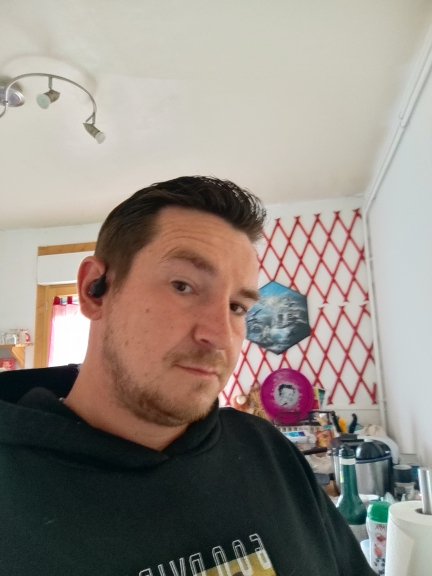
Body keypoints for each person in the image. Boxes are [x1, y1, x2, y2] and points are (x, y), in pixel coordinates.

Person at [0, 176, 374, 576]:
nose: (220, 336)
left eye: (236, 307)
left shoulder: (270, 452)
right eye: (183, 286)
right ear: (95, 290)